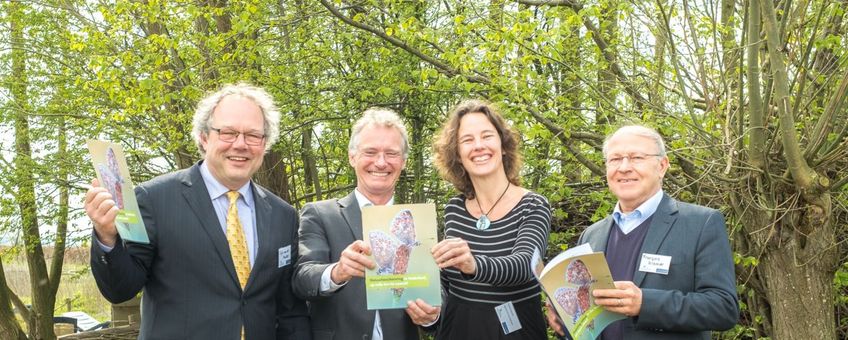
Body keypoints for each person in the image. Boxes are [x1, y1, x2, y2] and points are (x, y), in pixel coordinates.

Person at [85, 83, 311, 340]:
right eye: (228, 133)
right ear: (204, 137)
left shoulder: (283, 215)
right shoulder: (153, 199)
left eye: (252, 135)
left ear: (264, 143)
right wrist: (106, 238)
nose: (240, 144)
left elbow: (290, 311)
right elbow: (120, 289)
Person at [546, 125, 738, 339]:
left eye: (636, 157)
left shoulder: (700, 223)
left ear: (662, 166)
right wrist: (566, 320)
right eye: (615, 159)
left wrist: (645, 304)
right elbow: (590, 323)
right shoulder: (592, 235)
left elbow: (724, 308)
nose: (624, 167)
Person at [292, 108, 440, 340]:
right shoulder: (320, 214)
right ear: (352, 157)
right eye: (370, 152)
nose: (381, 162)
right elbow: (302, 278)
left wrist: (432, 316)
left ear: (403, 162)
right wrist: (337, 272)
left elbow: (437, 291)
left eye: (391, 153)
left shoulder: (418, 222)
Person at [431, 99, 551, 339]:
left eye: (487, 136)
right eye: (467, 140)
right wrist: (429, 305)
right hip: (458, 328)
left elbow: (524, 266)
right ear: (457, 154)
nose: (478, 146)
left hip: (515, 328)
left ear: (503, 145)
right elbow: (446, 281)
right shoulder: (454, 208)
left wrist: (473, 264)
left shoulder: (533, 205)